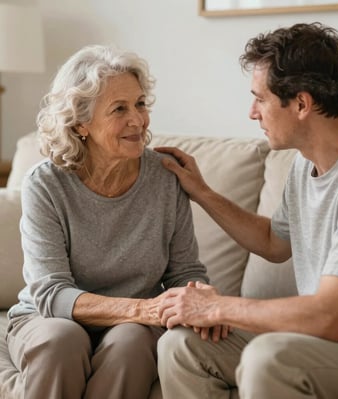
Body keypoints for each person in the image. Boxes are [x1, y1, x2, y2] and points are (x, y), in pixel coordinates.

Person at [156, 22, 338, 399]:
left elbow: (329, 319)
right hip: (323, 343)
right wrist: (203, 193)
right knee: (181, 347)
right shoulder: (305, 163)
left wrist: (217, 307)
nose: (252, 113)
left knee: (269, 358)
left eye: (260, 98)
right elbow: (275, 242)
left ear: (302, 104)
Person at [5, 44, 209, 399]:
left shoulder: (165, 178)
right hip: (52, 320)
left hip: (134, 326)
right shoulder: (46, 184)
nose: (138, 119)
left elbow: (184, 271)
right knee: (61, 340)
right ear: (81, 123)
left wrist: (198, 296)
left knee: (130, 340)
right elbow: (50, 294)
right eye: (119, 109)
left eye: (141, 104)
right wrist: (142, 308)